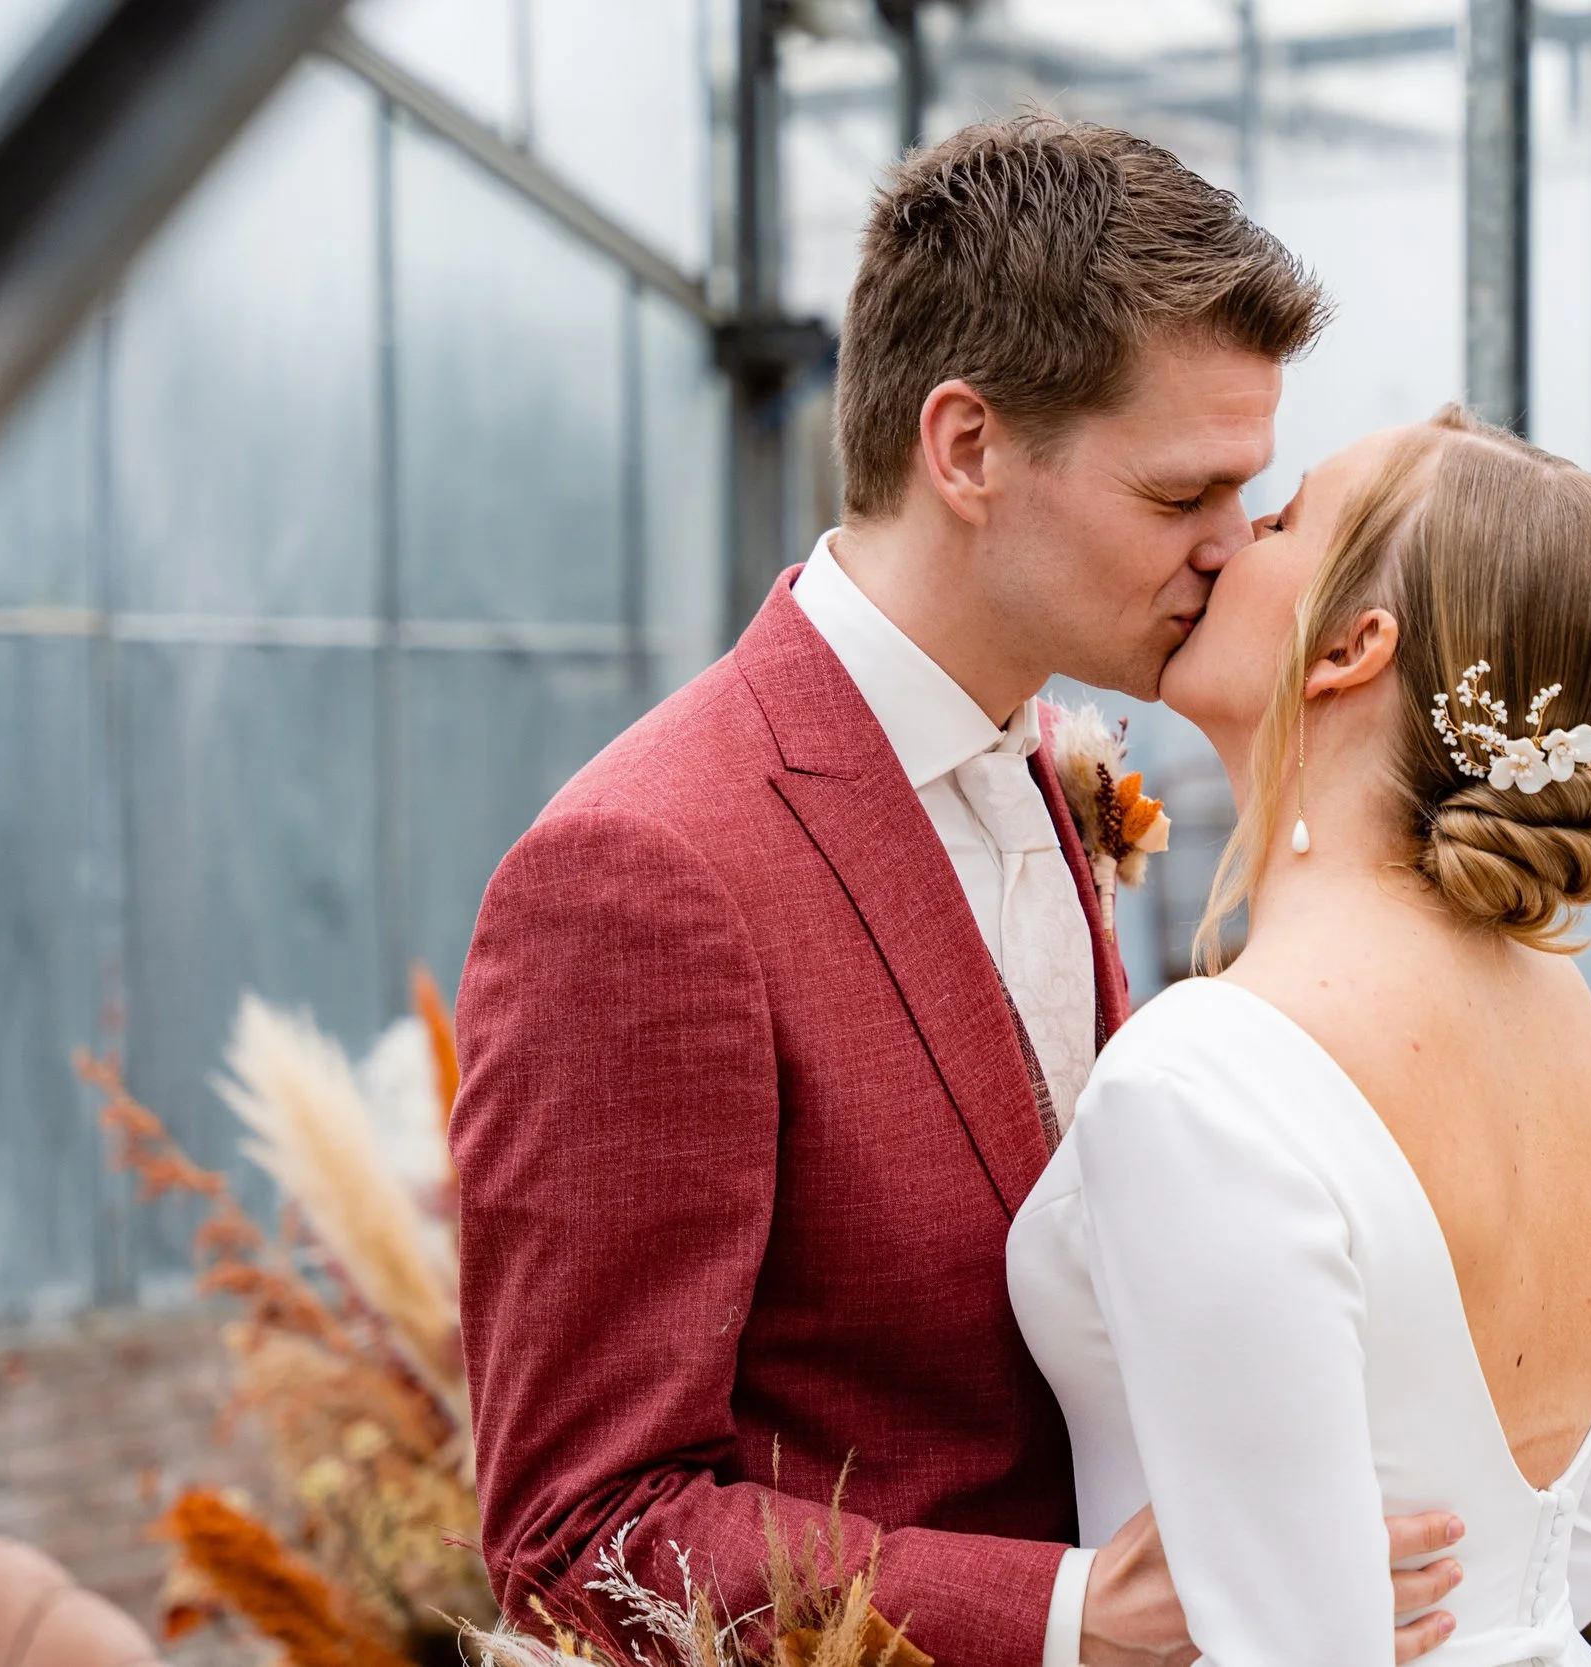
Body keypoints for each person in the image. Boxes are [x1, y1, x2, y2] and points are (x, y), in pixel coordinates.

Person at [451, 116, 1464, 1667]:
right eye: (1181, 496)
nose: (1234, 552)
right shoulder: (642, 870)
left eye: (1246, 493)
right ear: (969, 448)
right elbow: (578, 1530)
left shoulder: (1056, 768)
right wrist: (1063, 1613)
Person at [1008, 408, 1591, 1666]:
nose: (1225, 542)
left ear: (1349, 646)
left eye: (1279, 520)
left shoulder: (1205, 1077)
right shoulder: (1566, 1023)